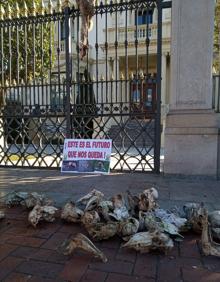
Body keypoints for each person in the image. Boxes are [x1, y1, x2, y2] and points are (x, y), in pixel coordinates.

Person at [73, 69, 97, 139]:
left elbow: (78, 102)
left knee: (84, 132)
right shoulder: (89, 88)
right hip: (86, 114)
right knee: (86, 133)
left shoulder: (85, 88)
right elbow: (93, 101)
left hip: (83, 115)